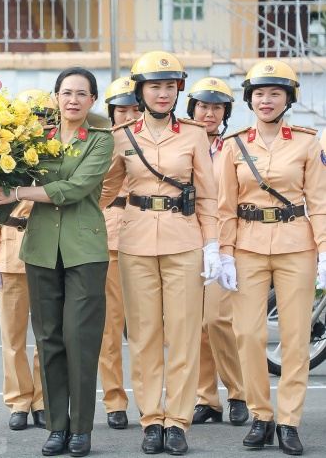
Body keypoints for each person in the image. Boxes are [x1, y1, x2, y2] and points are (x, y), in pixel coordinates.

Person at [0, 67, 114, 458]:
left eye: (82, 93)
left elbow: (76, 189)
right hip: (40, 249)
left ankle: (82, 429)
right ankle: (57, 426)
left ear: (93, 100)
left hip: (85, 252)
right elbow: (5, 184)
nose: (73, 99)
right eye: (66, 92)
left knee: (80, 339)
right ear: (56, 97)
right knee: (50, 339)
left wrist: (17, 191)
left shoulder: (101, 140)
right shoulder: (31, 139)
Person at [100, 51, 221, 455]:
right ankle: (152, 418)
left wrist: (213, 245)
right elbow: (105, 190)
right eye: (155, 86)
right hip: (134, 241)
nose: (164, 93)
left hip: (183, 241)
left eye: (170, 86)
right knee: (145, 334)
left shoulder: (193, 134)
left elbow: (206, 194)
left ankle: (178, 421)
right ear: (140, 90)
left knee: (184, 334)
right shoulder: (122, 136)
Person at [217, 59, 326, 455]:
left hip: (297, 245)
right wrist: (224, 252)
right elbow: (225, 206)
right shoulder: (234, 145)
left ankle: (289, 420)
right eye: (259, 93)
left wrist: (325, 250)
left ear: (288, 99)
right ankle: (261, 414)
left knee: (296, 338)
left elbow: (319, 200)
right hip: (247, 245)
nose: (266, 100)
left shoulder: (307, 142)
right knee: (247, 334)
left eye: (275, 93)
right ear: (249, 99)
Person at [0, 89, 48, 433]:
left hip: (49, 250)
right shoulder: (5, 159)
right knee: (13, 336)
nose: (37, 125)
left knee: (47, 335)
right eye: (30, 118)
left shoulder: (55, 158)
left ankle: (43, 400)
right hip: (10, 252)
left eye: (43, 118)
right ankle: (19, 400)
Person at [185, 78, 248, 427]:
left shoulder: (234, 147)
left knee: (218, 320)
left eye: (217, 108)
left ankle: (238, 392)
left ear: (226, 112)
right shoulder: (181, 142)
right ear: (192, 108)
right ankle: (206, 398)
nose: (209, 113)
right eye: (203, 106)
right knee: (194, 325)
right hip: (185, 239)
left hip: (222, 240)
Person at [98, 76, 140, 431]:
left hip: (148, 235)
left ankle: (153, 398)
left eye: (133, 108)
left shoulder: (155, 138)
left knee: (148, 328)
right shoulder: (102, 143)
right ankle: (114, 399)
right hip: (110, 237)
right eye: (121, 109)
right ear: (111, 112)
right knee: (110, 329)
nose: (127, 114)